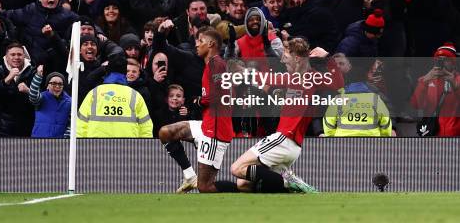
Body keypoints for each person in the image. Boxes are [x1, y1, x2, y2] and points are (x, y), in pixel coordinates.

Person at [230, 37, 343, 193]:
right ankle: (289, 184)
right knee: (243, 183)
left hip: (284, 139)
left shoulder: (310, 77)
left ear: (297, 58)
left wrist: (329, 59)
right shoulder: (300, 78)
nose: (283, 61)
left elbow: (338, 84)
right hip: (291, 146)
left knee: (236, 168)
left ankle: (287, 180)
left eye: (286, 57)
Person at [159, 27, 238, 194]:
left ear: (211, 44)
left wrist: (198, 101)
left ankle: (246, 188)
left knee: (205, 187)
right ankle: (189, 176)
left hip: (215, 130)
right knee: (166, 132)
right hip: (206, 124)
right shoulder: (212, 65)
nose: (196, 45)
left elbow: (218, 96)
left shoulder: (217, 64)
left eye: (200, 41)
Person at [77, 55, 153, 138]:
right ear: (124, 73)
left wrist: (82, 146)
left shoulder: (94, 93)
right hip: (128, 147)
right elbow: (146, 127)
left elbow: (80, 125)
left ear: (107, 71)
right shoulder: (135, 95)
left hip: (96, 147)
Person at [411, 44, 460, 137]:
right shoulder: (426, 80)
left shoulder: (457, 80)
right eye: (439, 59)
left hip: (455, 135)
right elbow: (416, 105)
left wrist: (455, 84)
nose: (442, 62)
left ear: (453, 62)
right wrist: (424, 82)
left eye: (446, 59)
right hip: (433, 133)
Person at [29, 66, 71, 138]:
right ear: (47, 86)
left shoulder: (70, 101)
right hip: (39, 139)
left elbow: (72, 123)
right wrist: (38, 76)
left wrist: (66, 138)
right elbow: (33, 94)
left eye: (60, 84)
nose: (57, 86)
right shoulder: (42, 98)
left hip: (60, 143)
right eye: (53, 83)